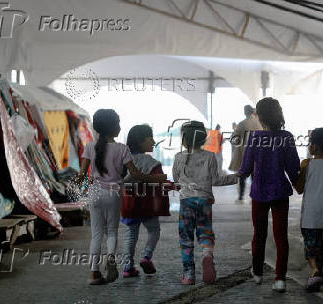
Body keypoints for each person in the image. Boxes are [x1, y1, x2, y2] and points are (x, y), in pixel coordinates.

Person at [77, 109, 167, 285]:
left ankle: (94, 273)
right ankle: (111, 258)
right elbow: (136, 174)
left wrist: (77, 186)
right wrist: (157, 178)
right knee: (111, 232)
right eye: (117, 123)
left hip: (94, 194)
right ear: (112, 127)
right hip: (113, 194)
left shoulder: (89, 147)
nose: (119, 126)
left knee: (96, 234)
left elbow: (81, 175)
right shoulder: (122, 149)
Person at [238, 98, 300, 292]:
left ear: (260, 116)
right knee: (281, 236)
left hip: (259, 192)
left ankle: (257, 274)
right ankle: (280, 279)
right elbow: (294, 168)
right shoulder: (287, 137)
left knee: (259, 234)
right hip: (280, 191)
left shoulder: (254, 138)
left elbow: (246, 168)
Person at [172, 121, 239, 285]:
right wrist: (237, 177)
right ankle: (207, 254)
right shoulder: (209, 156)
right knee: (205, 232)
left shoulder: (179, 157)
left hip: (186, 201)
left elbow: (176, 180)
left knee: (186, 237)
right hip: (204, 201)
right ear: (203, 139)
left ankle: (189, 275)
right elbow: (216, 180)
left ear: (184, 140)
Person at [294, 128, 323, 292]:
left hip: (310, 214)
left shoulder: (307, 164)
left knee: (311, 245)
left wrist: (295, 176)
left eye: (309, 142)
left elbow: (299, 189)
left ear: (314, 147)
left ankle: (315, 272)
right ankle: (320, 273)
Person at [121, 125, 171, 278]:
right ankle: (146, 257)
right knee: (154, 230)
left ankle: (128, 267)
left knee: (131, 235)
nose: (154, 141)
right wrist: (173, 185)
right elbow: (160, 183)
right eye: (150, 138)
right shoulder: (151, 163)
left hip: (129, 204)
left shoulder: (123, 161)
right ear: (140, 141)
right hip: (148, 205)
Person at [229, 105, 262, 203]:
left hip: (245, 154)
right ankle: (254, 197)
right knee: (254, 176)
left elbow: (234, 137)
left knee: (242, 176)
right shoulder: (259, 123)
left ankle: (241, 197)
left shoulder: (242, 123)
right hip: (257, 155)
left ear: (245, 112)